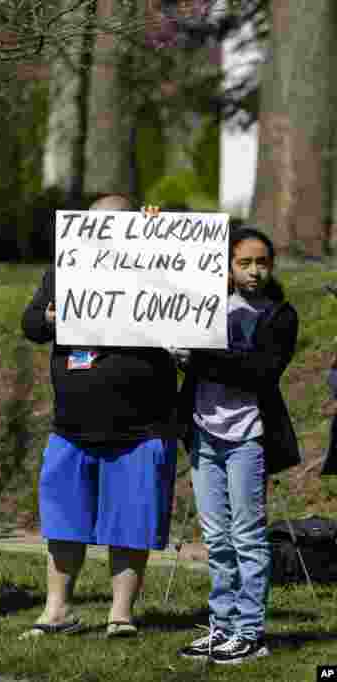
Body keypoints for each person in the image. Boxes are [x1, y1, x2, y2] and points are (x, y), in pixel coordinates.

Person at [19, 196, 179, 639]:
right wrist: (49, 317)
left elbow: (194, 291)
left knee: (131, 523)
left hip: (142, 427)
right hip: (72, 427)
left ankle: (121, 615)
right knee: (64, 522)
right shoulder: (63, 271)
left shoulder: (158, 267)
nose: (104, 233)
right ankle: (57, 611)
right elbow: (31, 323)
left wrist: (161, 239)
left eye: (117, 225)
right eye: (95, 226)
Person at [175, 227, 299, 664]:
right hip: (203, 432)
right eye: (244, 263)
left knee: (247, 534)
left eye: (261, 262)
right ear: (227, 265)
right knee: (216, 537)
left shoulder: (280, 315)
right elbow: (156, 281)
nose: (253, 271)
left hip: (248, 434)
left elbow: (258, 371)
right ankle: (221, 624)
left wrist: (200, 355)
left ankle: (250, 631)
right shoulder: (206, 306)